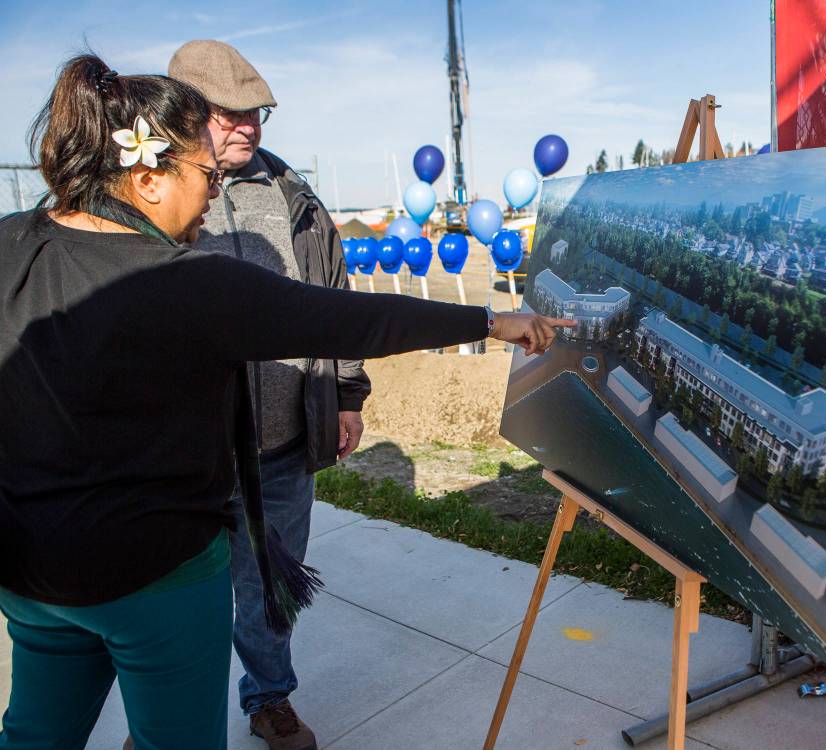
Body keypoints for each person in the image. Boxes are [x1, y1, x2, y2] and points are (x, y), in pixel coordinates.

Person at [0, 54, 571, 750]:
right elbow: (348, 319)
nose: (213, 194)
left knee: (33, 733)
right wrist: (489, 320)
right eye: (204, 177)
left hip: (32, 578)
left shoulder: (11, 244)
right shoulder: (189, 281)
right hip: (158, 579)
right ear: (147, 178)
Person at [166, 40, 366, 749]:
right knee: (174, 604)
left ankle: (269, 697)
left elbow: (334, 303)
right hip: (181, 456)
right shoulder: (146, 197)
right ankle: (163, 722)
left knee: (267, 596)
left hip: (280, 451)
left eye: (258, 112)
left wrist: (346, 394)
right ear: (184, 112)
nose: (249, 125)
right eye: (230, 113)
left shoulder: (294, 196)